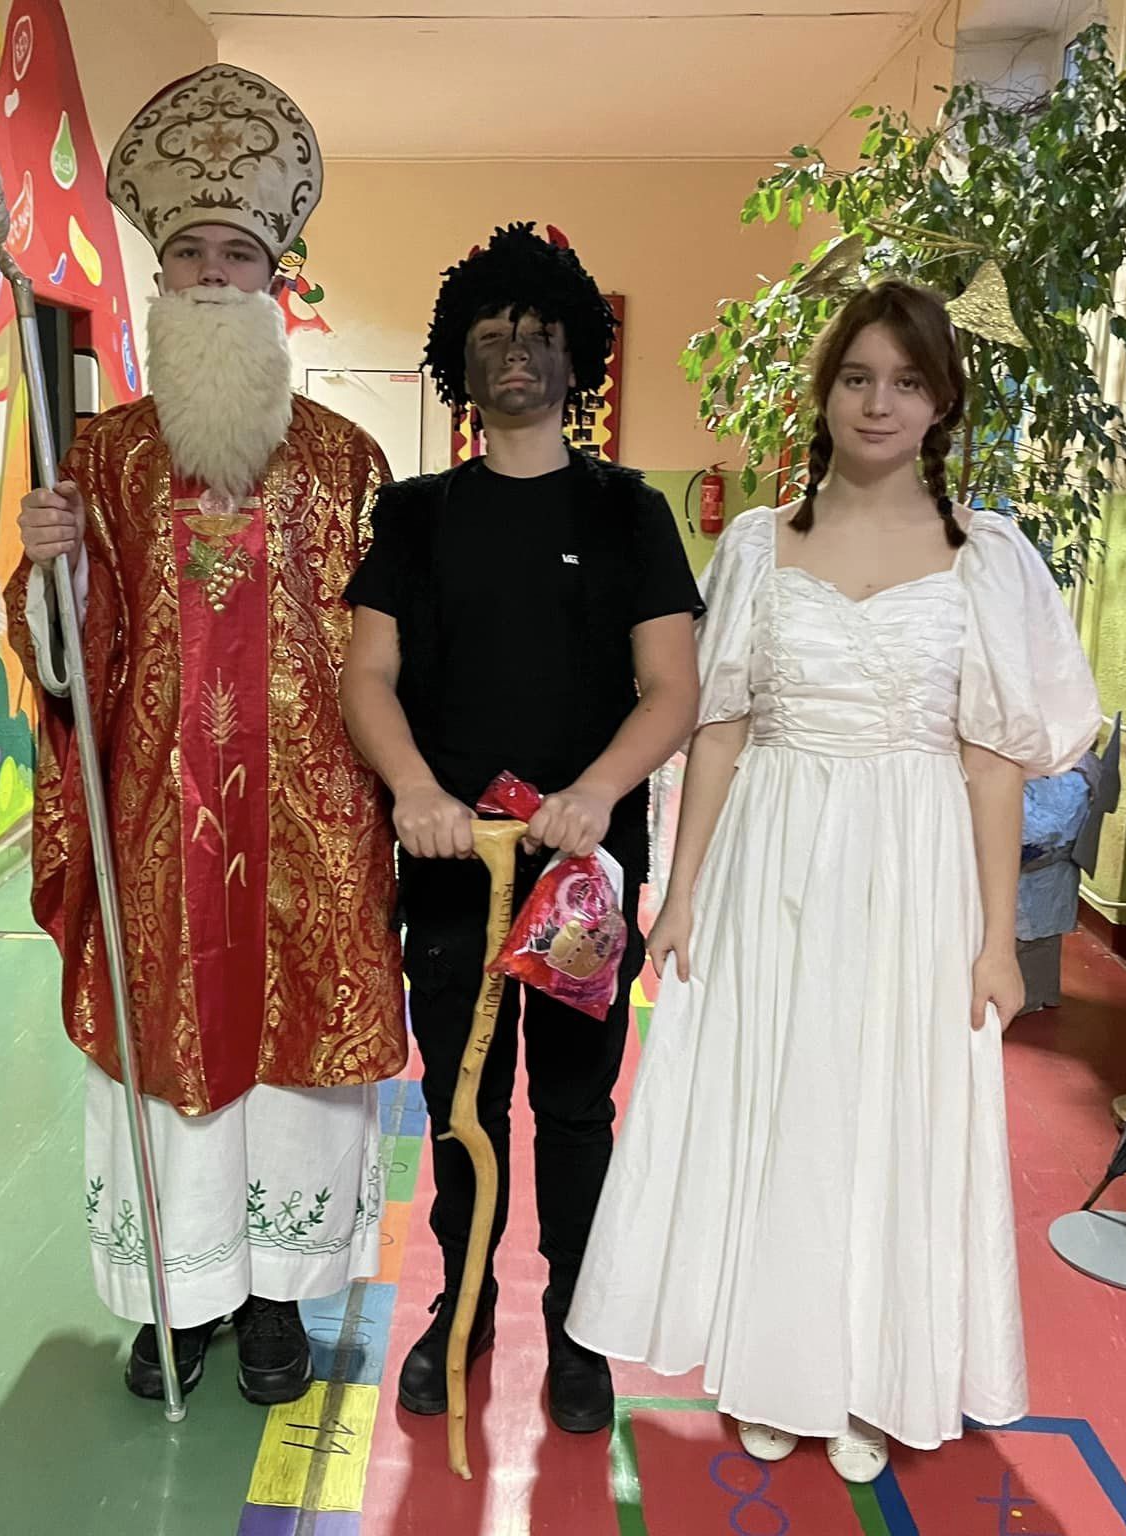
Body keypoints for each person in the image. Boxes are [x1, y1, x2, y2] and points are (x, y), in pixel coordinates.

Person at [566, 280, 1100, 1482]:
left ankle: (870, 1375)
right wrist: (681, 895)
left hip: (912, 868)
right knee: (776, 1103)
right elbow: (719, 730)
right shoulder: (759, 543)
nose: (877, 402)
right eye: (856, 377)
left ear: (941, 403)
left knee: (885, 1112)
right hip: (771, 858)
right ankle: (770, 1364)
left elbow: (991, 762)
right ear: (824, 392)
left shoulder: (984, 557)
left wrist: (994, 941)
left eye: (905, 382)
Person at [8, 65, 402, 1406]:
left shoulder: (347, 460)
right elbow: (70, 661)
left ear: (275, 281)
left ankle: (279, 1298)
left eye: (239, 254)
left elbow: (388, 649)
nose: (216, 274)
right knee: (168, 1056)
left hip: (310, 818)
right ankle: (182, 1298)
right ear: (162, 280)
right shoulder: (104, 459)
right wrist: (52, 569)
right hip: (157, 816)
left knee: (297, 1066)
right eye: (191, 255)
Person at [340, 223, 702, 1435]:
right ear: (458, 356)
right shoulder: (415, 515)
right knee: (463, 1103)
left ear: (575, 357)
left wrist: (595, 793)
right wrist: (414, 793)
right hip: (455, 870)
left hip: (582, 875)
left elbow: (671, 690)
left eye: (540, 334)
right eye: (491, 333)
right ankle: (464, 1303)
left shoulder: (627, 512)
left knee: (577, 1108)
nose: (515, 352)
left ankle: (575, 1324)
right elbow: (367, 676)